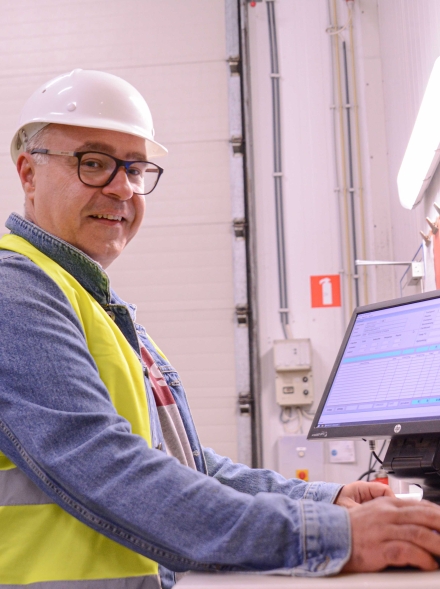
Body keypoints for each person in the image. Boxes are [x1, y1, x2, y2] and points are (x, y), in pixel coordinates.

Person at [1, 69, 440, 589]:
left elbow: (186, 465)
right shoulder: (15, 291)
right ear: (28, 173)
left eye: (136, 168)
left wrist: (326, 500)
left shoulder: (93, 301)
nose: (123, 188)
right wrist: (332, 535)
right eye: (93, 163)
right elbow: (104, 465)